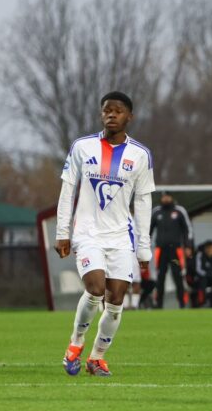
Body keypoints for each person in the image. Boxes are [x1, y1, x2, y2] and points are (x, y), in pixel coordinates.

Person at [57, 91, 155, 377]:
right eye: (106, 111)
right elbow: (67, 191)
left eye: (117, 111)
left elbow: (143, 201)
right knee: (96, 289)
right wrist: (62, 232)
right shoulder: (82, 147)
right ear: (102, 115)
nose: (111, 115)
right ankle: (75, 344)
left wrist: (144, 248)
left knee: (115, 302)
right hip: (87, 234)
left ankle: (97, 358)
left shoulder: (140, 155)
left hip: (121, 238)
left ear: (129, 116)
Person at [150, 192, 193, 308]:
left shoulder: (179, 211)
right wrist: (145, 245)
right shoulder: (156, 212)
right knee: (160, 277)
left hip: (175, 251)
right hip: (161, 250)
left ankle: (182, 303)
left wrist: (188, 246)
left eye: (168, 196)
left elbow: (187, 229)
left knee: (178, 276)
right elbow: (148, 230)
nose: (166, 199)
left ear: (172, 197)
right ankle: (158, 304)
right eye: (164, 197)